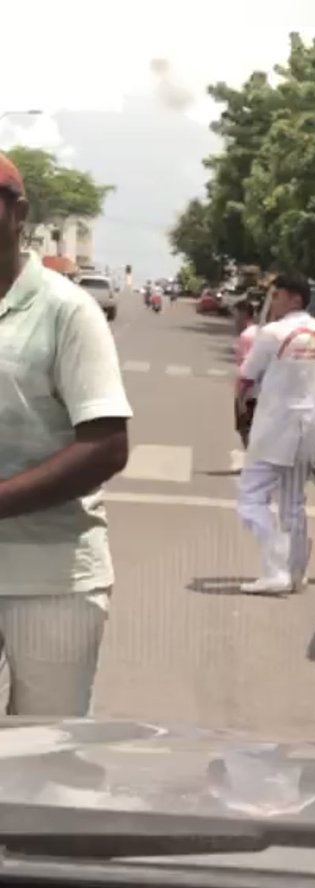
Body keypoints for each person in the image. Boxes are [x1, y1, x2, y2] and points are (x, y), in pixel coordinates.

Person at [0, 153, 132, 716]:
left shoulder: (66, 310)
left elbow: (104, 444)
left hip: (51, 577)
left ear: (17, 213)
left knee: (43, 761)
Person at [237, 271, 315, 595]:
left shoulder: (273, 333)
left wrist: (240, 407)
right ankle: (296, 571)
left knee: (250, 499)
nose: (271, 302)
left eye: (276, 296)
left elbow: (246, 376)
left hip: (275, 427)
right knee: (293, 503)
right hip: (311, 429)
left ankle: (276, 568)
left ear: (295, 298)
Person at [233, 299, 258, 449]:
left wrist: (241, 395)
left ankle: (252, 462)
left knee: (245, 428)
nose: (234, 321)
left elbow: (249, 368)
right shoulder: (259, 332)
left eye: (236, 316)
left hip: (248, 391)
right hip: (259, 391)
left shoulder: (246, 337)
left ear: (244, 315)